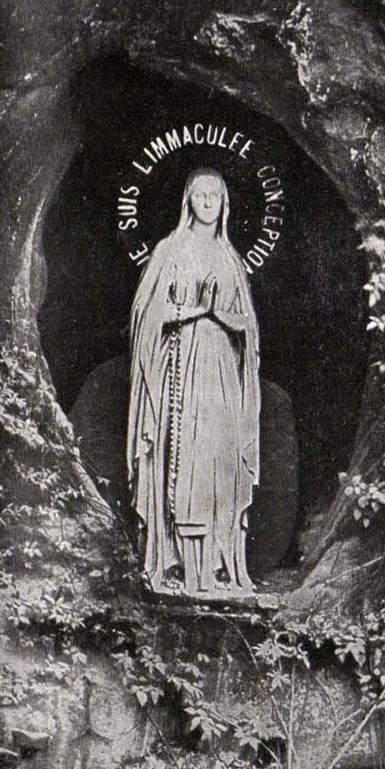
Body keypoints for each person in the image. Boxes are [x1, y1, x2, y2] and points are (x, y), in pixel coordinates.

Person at [126, 167, 260, 595]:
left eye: (214, 197)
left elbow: (247, 328)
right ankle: (182, 566)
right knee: (185, 462)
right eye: (200, 195)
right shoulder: (171, 249)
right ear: (188, 201)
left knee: (219, 459)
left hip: (221, 370)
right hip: (182, 370)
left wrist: (219, 314)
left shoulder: (230, 258)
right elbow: (146, 316)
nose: (207, 203)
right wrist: (190, 312)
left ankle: (218, 566)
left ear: (224, 205)